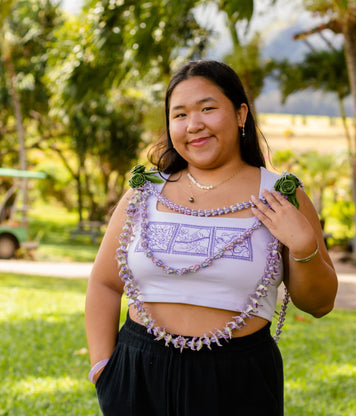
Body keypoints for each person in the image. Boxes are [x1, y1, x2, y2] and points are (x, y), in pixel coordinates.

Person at [85, 60, 338, 416]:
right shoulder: (144, 192)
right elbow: (104, 284)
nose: (194, 125)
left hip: (238, 382)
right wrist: (102, 369)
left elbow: (319, 304)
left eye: (207, 108)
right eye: (180, 114)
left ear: (240, 114)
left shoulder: (281, 195)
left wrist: (303, 247)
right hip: (137, 375)